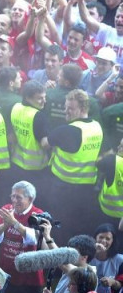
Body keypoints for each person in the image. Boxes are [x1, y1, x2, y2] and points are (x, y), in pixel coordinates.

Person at [42, 89, 104, 237]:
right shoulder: (96, 127)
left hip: (64, 188)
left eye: (70, 108)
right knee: (78, 226)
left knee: (59, 226)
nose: (66, 111)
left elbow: (44, 144)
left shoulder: (67, 130)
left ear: (82, 109)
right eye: (66, 107)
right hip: (87, 188)